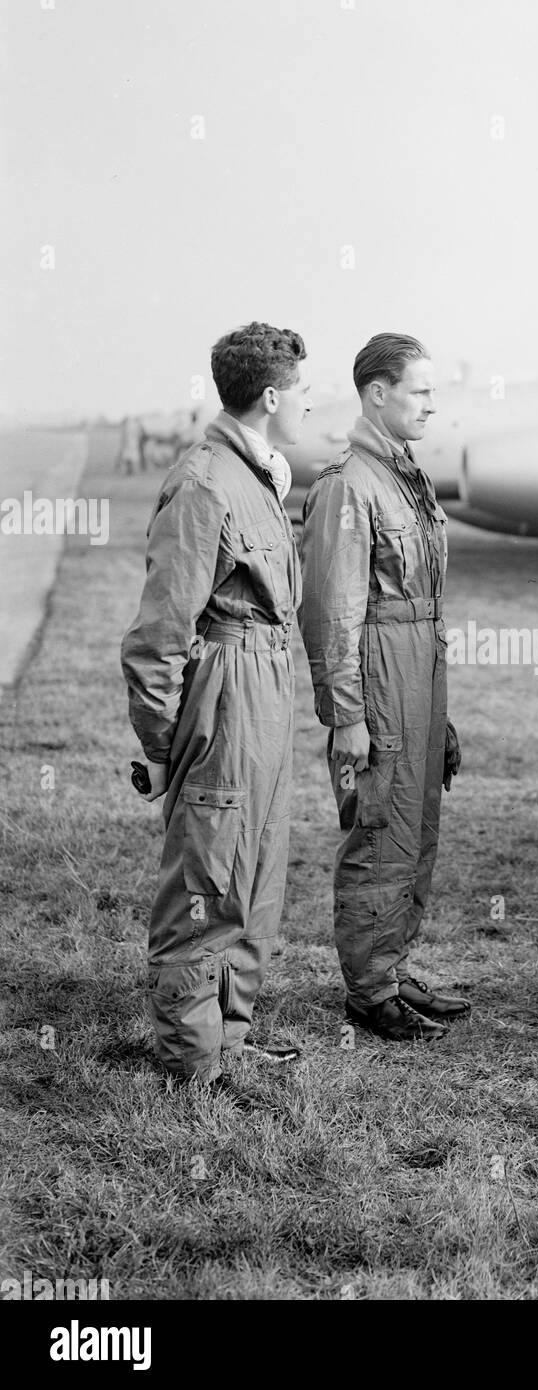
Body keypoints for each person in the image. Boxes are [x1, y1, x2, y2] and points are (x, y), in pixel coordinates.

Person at [121, 322, 311, 1090]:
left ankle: (228, 1039)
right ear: (271, 396)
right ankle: (190, 1060)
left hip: (265, 682)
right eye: (302, 390)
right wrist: (164, 744)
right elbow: (160, 632)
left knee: (256, 868)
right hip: (226, 690)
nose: (308, 403)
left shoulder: (257, 472)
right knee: (209, 871)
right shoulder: (203, 483)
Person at [298, 332, 466, 1042]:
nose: (432, 404)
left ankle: (390, 968)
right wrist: (346, 717)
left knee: (416, 826)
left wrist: (441, 713)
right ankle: (368, 992)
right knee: (379, 830)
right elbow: (331, 612)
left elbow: (424, 604)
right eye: (420, 390)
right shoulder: (348, 484)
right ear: (377, 393)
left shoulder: (404, 475)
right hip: (379, 676)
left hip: (418, 668)